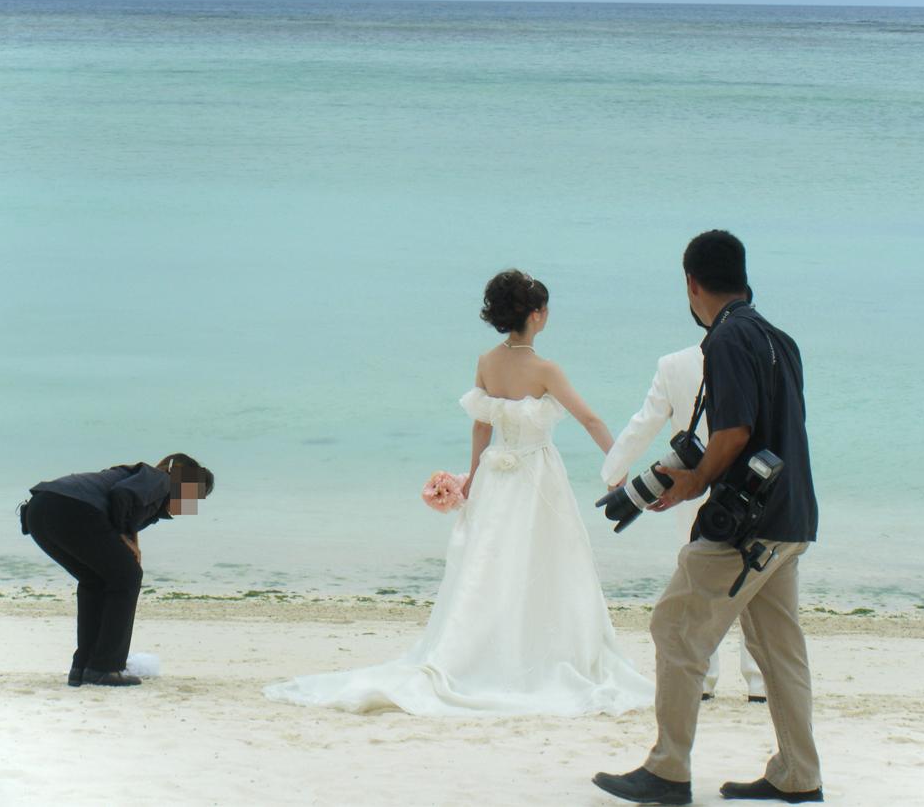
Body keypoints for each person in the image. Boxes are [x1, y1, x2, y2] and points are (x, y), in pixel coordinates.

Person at [264, 269, 653, 715]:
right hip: (538, 474)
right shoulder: (546, 370)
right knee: (548, 560)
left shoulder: (487, 362)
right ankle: (535, 650)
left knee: (490, 565)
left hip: (496, 475)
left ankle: (486, 650)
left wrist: (473, 478)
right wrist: (617, 467)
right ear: (535, 314)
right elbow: (590, 419)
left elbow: (481, 428)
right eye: (545, 310)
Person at [593, 231, 822, 805]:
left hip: (746, 526)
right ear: (742, 276)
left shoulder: (725, 339)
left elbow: (734, 432)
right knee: (779, 650)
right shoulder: (779, 338)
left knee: (674, 628)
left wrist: (693, 483)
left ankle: (668, 771)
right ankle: (798, 774)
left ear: (691, 283)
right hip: (791, 517)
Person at [602, 342, 767, 704]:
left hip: (690, 484)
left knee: (698, 582)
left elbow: (645, 422)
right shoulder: (758, 355)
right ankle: (758, 681)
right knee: (752, 577)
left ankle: (704, 677)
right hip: (750, 486)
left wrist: (615, 472)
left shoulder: (673, 365)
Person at [20, 453, 214, 686]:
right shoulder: (160, 479)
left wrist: (131, 543)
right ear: (182, 481)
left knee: (96, 581)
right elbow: (121, 496)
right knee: (128, 577)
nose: (192, 504)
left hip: (40, 511)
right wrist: (125, 541)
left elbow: (123, 511)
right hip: (70, 508)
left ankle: (83, 667)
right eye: (194, 494)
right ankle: (105, 667)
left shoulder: (146, 485)